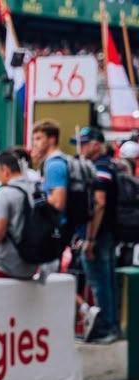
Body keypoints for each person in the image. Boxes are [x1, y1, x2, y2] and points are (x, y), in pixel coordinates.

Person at [76, 127, 119, 343]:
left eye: (83, 143)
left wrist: (90, 238)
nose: (80, 148)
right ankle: (111, 325)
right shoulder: (107, 165)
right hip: (106, 234)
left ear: (95, 144)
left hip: (99, 235)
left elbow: (99, 203)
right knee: (106, 281)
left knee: (100, 282)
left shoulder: (100, 168)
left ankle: (106, 327)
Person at [0, 151, 37, 281]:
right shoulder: (37, 189)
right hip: (32, 264)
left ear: (5, 170)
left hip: (5, 264)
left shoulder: (4, 193)